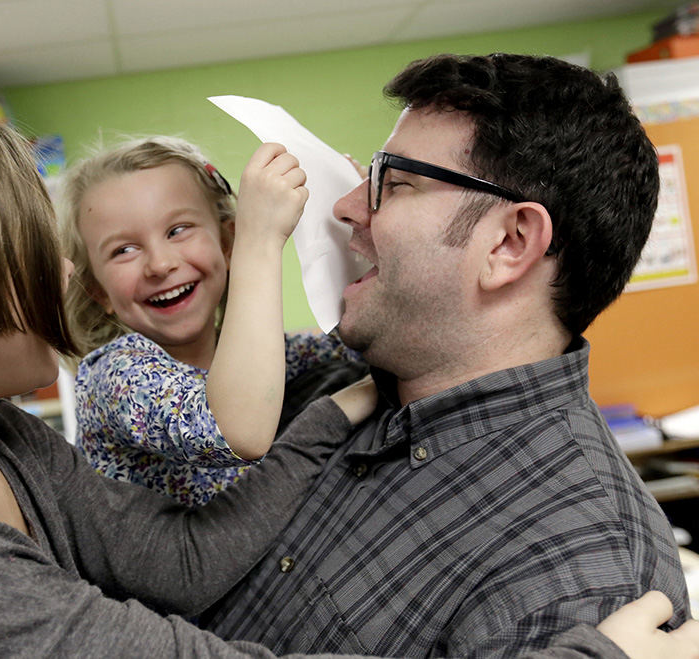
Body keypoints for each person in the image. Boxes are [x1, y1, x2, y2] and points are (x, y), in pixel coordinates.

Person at [0, 110, 694, 659]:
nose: (68, 277)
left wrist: (349, 389)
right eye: (36, 250)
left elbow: (170, 564)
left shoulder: (0, 440)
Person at [200, 52, 695, 657]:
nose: (347, 207)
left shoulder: (593, 584)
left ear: (509, 244)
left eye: (395, 183)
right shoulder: (348, 394)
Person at [60, 136, 365, 506]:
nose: (160, 264)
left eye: (178, 230)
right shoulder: (113, 375)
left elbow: (364, 345)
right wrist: (260, 239)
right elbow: (231, 429)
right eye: (124, 250)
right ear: (98, 291)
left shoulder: (274, 357)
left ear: (225, 242)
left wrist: (363, 215)